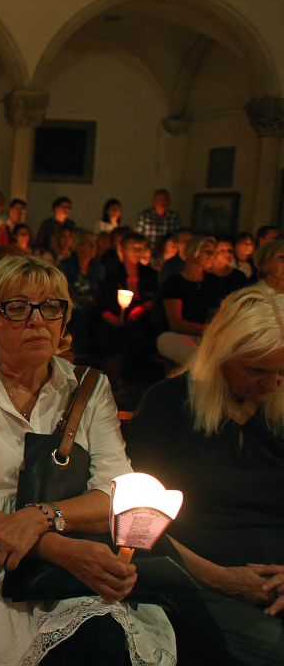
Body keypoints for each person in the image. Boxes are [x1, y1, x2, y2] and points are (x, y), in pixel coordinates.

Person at [0, 253, 177, 666]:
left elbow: (115, 491)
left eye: (51, 308)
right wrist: (61, 549)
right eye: (17, 308)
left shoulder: (88, 387)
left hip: (67, 573)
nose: (37, 320)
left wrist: (39, 518)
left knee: (104, 643)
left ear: (65, 319)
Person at [125, 284, 284, 666]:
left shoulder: (278, 406)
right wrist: (223, 579)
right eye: (257, 370)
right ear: (221, 356)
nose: (272, 384)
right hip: (191, 577)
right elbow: (135, 522)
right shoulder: (170, 406)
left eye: (283, 371)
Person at [98, 232, 159, 387]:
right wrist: (111, 318)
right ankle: (114, 381)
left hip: (141, 320)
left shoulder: (149, 274)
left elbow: (154, 298)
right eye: (134, 248)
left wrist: (142, 308)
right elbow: (103, 300)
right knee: (113, 336)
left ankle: (135, 383)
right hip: (115, 318)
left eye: (141, 248)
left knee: (141, 337)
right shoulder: (112, 272)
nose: (138, 252)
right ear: (123, 249)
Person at [157, 235, 224, 365]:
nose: (212, 256)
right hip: (178, 336)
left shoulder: (214, 281)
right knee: (175, 344)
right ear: (193, 252)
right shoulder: (175, 281)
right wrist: (207, 329)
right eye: (207, 252)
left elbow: (222, 312)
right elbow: (176, 323)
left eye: (214, 253)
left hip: (208, 337)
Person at [59, 230, 106, 357]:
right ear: (79, 246)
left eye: (95, 244)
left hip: (93, 304)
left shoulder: (98, 267)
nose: (94, 247)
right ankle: (80, 352)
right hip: (73, 303)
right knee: (82, 309)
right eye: (90, 244)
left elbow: (101, 291)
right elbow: (62, 290)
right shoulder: (66, 265)